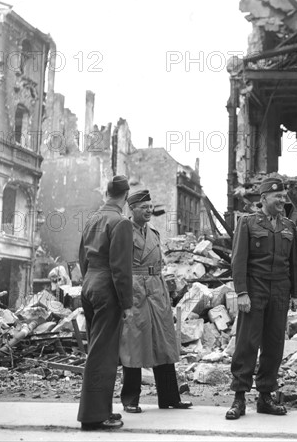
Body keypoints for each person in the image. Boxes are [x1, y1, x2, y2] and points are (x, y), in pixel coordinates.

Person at [226, 177, 297, 420]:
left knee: (274, 345)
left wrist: (296, 294)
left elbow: (295, 264)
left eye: (283, 196)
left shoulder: (289, 225)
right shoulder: (247, 223)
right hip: (255, 289)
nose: (282, 200)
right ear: (263, 198)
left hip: (280, 291)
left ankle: (265, 397)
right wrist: (242, 292)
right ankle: (239, 398)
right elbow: (238, 260)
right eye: (277, 196)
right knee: (247, 344)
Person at [119, 189, 192, 413]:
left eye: (151, 206)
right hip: (135, 289)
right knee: (134, 343)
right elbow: (118, 267)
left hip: (156, 287)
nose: (149, 210)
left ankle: (169, 397)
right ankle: (130, 399)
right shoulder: (123, 232)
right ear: (132, 209)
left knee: (164, 342)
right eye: (144, 207)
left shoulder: (154, 233)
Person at [77, 175, 133, 431]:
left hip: (89, 284)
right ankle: (94, 416)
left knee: (96, 350)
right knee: (104, 355)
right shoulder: (120, 222)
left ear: (108, 193)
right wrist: (127, 303)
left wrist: (89, 281)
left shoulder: (92, 219)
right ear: (125, 195)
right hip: (107, 287)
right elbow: (121, 269)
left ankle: (101, 410)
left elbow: (81, 257)